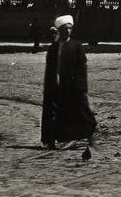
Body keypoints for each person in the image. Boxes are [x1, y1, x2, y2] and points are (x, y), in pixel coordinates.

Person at [41, 15, 97, 148]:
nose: (68, 31)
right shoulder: (53, 48)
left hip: (72, 85)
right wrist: (48, 86)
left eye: (70, 29)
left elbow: (82, 67)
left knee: (81, 111)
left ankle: (89, 133)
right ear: (60, 30)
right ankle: (51, 139)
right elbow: (49, 69)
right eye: (65, 29)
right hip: (55, 85)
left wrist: (81, 86)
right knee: (53, 112)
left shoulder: (76, 46)